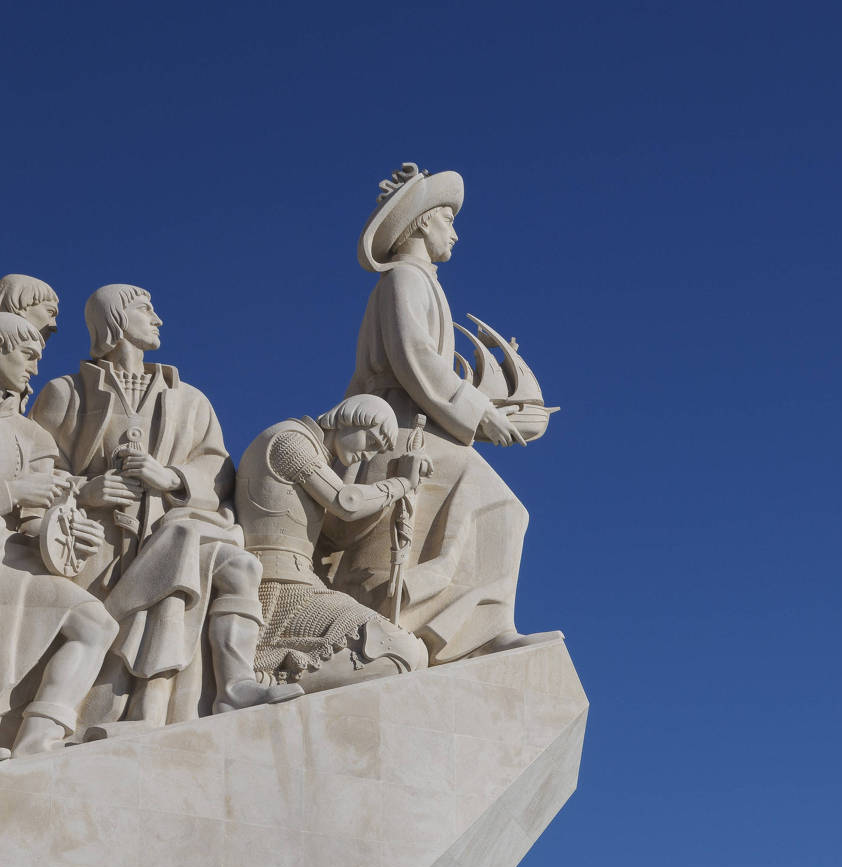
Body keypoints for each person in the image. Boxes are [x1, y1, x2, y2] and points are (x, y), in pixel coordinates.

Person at [31, 285, 298, 725]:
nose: (158, 319)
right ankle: (113, 714)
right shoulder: (66, 393)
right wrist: (85, 491)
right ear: (115, 319)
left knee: (239, 566)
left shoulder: (189, 400)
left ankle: (234, 686)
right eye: (145, 309)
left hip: (172, 530)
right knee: (110, 626)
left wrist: (171, 477)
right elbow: (39, 470)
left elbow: (217, 470)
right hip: (98, 546)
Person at [346, 164, 551, 662]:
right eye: (448, 222)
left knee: (502, 508)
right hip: (398, 429)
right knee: (500, 504)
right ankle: (476, 631)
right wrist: (479, 413)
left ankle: (480, 625)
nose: (455, 234)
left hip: (425, 423)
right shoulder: (403, 281)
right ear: (422, 223)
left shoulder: (421, 282)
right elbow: (415, 357)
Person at [232, 395, 429, 692]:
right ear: (352, 418)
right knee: (400, 651)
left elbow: (339, 526)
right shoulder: (290, 440)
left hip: (300, 582)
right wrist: (402, 484)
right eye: (372, 441)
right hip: (278, 587)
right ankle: (270, 680)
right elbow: (345, 501)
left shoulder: (315, 453)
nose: (368, 454)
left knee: (410, 654)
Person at [0, 311, 112, 756]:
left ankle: (36, 743)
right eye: (26, 355)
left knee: (94, 623)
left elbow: (35, 522)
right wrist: (11, 490)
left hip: (14, 562)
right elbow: (20, 496)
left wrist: (70, 535)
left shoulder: (31, 435)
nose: (34, 368)